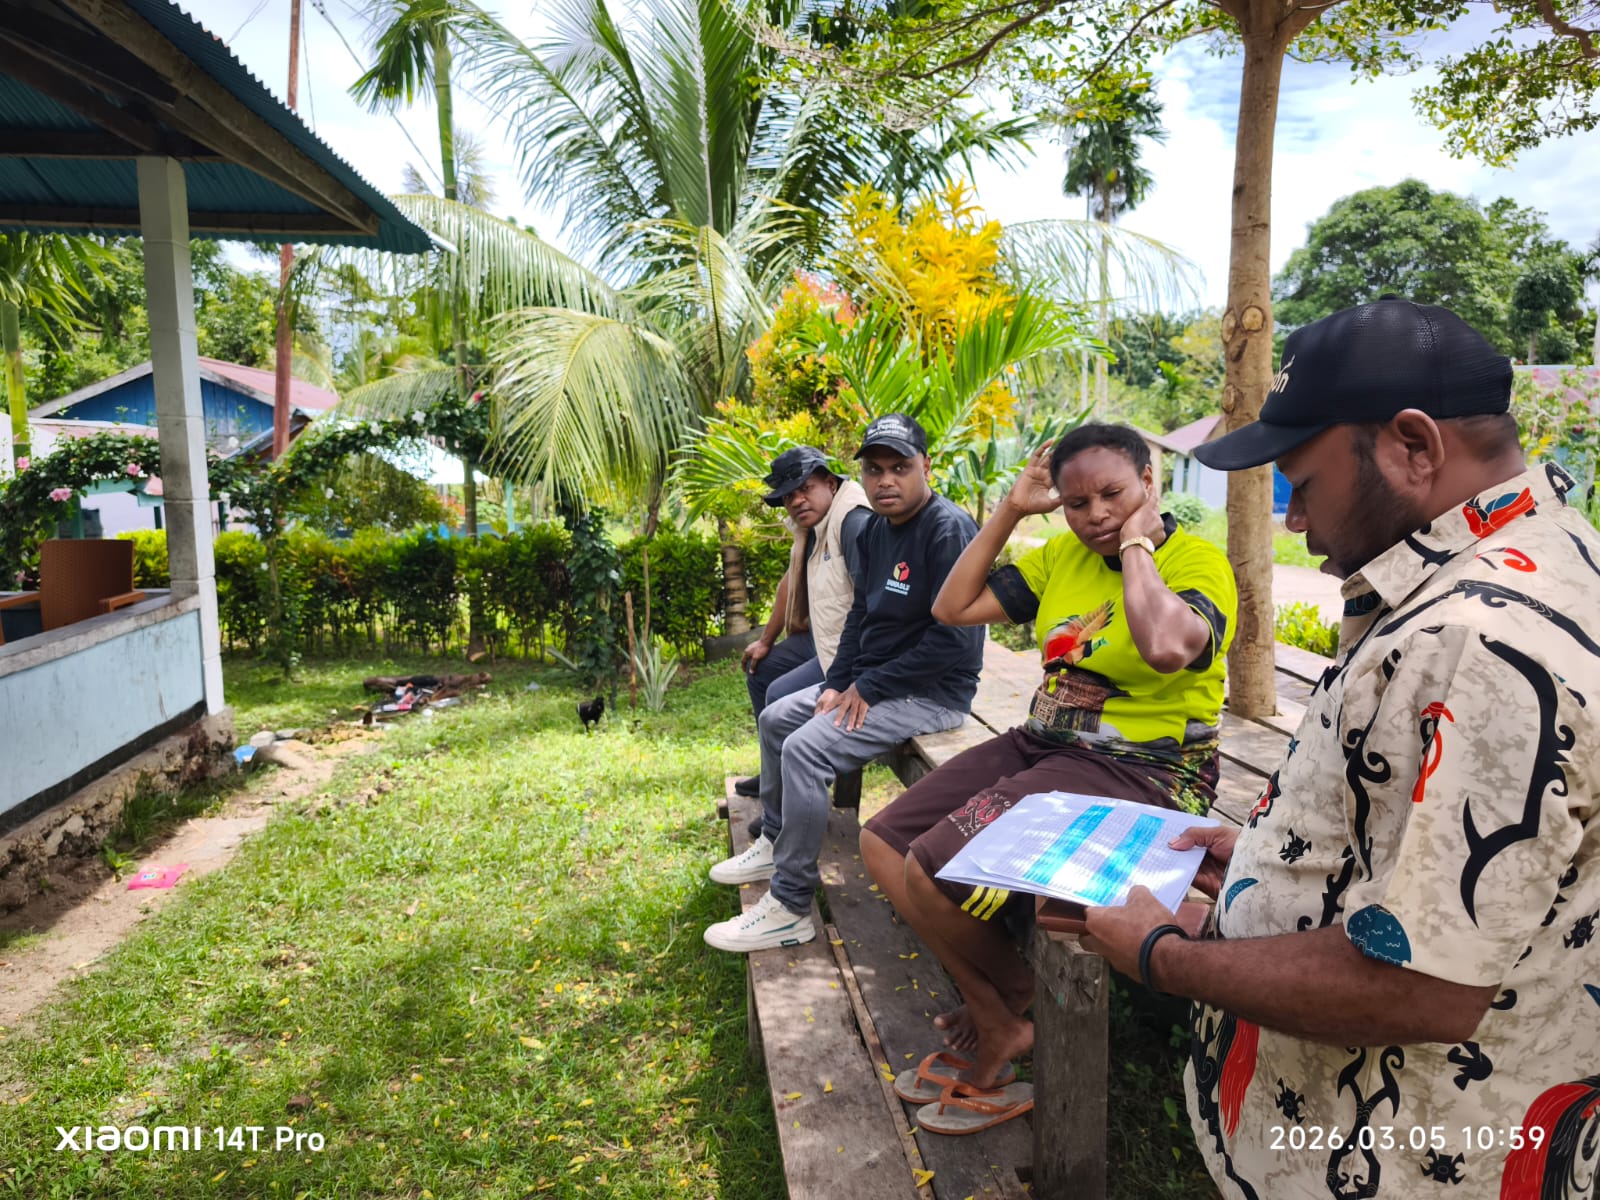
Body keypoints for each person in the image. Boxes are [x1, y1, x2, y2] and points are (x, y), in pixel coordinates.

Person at [1074, 297, 1600, 1199]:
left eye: (1301, 484)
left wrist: (1164, 954)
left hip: (1402, 1154)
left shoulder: (1478, 642)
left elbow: (1420, 986)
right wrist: (1274, 866)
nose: (1293, 523)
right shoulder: (1538, 559)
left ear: (1412, 445)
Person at [859, 421, 1238, 1133]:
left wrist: (1136, 545)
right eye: (1076, 502)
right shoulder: (1061, 554)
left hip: (1147, 766)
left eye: (1113, 495)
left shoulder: (1196, 561)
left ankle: (1000, 1013)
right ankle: (1005, 1004)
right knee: (883, 843)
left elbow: (1163, 647)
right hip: (1046, 742)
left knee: (930, 865)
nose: (1095, 514)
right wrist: (1011, 509)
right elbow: (950, 608)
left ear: (1149, 483)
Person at [704, 413, 983, 952]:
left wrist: (869, 687)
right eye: (875, 469)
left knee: (806, 749)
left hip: (932, 693)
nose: (885, 481)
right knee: (777, 717)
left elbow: (955, 643)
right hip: (879, 681)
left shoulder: (947, 529)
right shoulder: (877, 529)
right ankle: (775, 836)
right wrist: (839, 680)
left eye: (900, 468)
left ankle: (788, 905)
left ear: (926, 466)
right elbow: (861, 617)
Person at [731, 447, 872, 804]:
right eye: (789, 495)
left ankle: (790, 796)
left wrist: (853, 678)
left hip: (849, 647)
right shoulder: (810, 525)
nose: (797, 500)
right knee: (761, 669)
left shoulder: (852, 521)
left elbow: (870, 605)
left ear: (829, 481)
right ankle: (775, 772)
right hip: (821, 636)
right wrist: (765, 639)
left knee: (779, 694)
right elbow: (790, 581)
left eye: (805, 488)